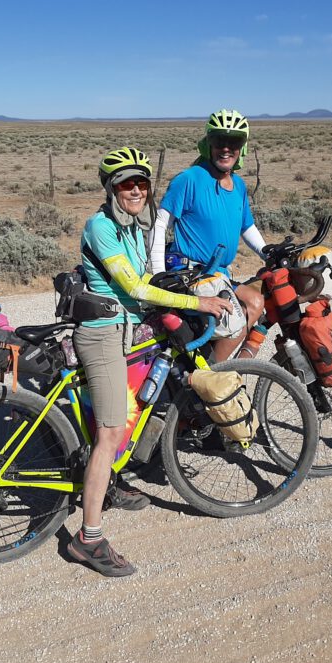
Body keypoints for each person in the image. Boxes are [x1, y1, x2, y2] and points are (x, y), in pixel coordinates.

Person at [68, 147, 231, 578]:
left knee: (142, 399)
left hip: (129, 330)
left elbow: (153, 275)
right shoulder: (101, 226)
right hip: (103, 334)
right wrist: (197, 301)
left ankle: (112, 480)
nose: (136, 190)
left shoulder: (138, 226)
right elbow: (134, 287)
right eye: (126, 184)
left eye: (141, 183)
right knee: (110, 431)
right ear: (111, 189)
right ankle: (88, 539)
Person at [150, 109, 267, 361]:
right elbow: (160, 224)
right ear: (208, 144)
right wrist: (158, 273)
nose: (226, 149)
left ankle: (229, 371)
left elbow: (246, 226)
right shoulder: (190, 179)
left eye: (234, 142)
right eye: (219, 142)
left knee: (256, 303)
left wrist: (267, 252)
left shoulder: (238, 185)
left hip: (219, 275)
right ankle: (213, 377)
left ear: (242, 148)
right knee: (235, 317)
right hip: (193, 274)